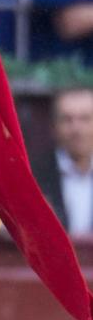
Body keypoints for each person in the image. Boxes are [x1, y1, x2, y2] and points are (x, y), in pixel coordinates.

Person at [33, 86, 93, 232]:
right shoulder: (32, 176)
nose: (76, 129)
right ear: (53, 126)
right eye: (67, 119)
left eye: (85, 119)